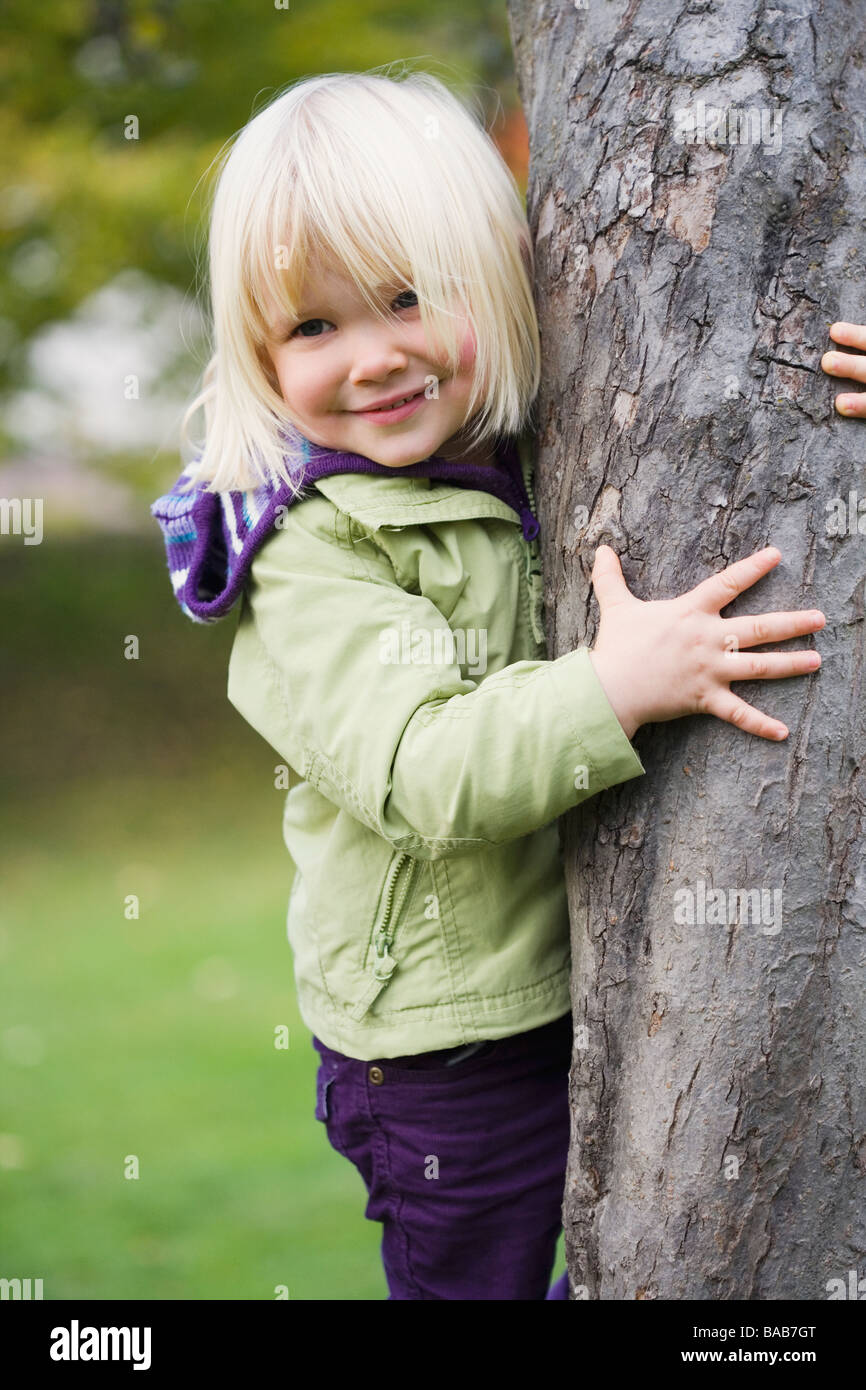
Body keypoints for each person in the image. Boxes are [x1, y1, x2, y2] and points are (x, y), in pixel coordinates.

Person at [151, 67, 853, 1300]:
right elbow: (421, 764)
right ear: (258, 353)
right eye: (312, 327)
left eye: (410, 298)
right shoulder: (309, 547)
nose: (371, 357)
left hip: (583, 976)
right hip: (440, 1050)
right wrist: (613, 684)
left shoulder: (532, 444)